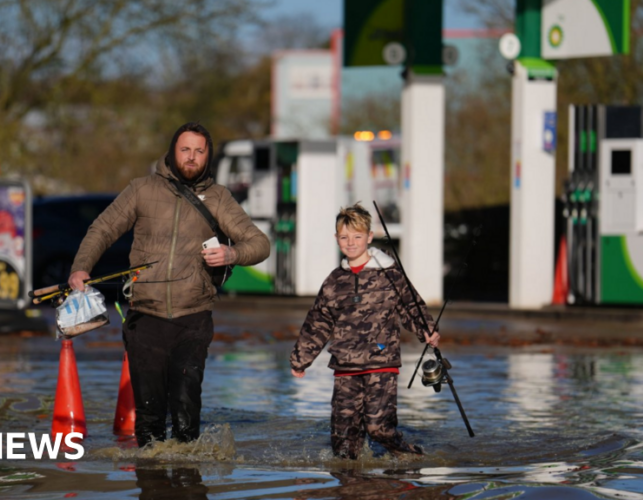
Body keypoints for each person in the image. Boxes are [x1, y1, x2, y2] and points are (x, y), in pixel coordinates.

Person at [68, 122, 270, 447]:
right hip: (145, 318)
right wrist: (80, 268)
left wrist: (232, 253)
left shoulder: (218, 198)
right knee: (149, 420)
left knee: (186, 410)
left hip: (193, 318)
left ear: (208, 156)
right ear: (173, 151)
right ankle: (153, 485)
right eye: (185, 150)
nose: (191, 157)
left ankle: (189, 487)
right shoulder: (141, 189)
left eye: (199, 152)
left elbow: (260, 244)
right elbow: (102, 229)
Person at [289, 203, 440, 460]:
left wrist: (426, 330)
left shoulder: (390, 274)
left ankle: (413, 458)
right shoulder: (334, 281)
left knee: (378, 428)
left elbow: (411, 306)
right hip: (345, 367)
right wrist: (300, 360)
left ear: (369, 237)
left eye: (357, 236)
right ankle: (352, 487)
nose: (351, 243)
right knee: (343, 444)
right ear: (336, 239)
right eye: (344, 237)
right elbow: (318, 322)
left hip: (382, 363)